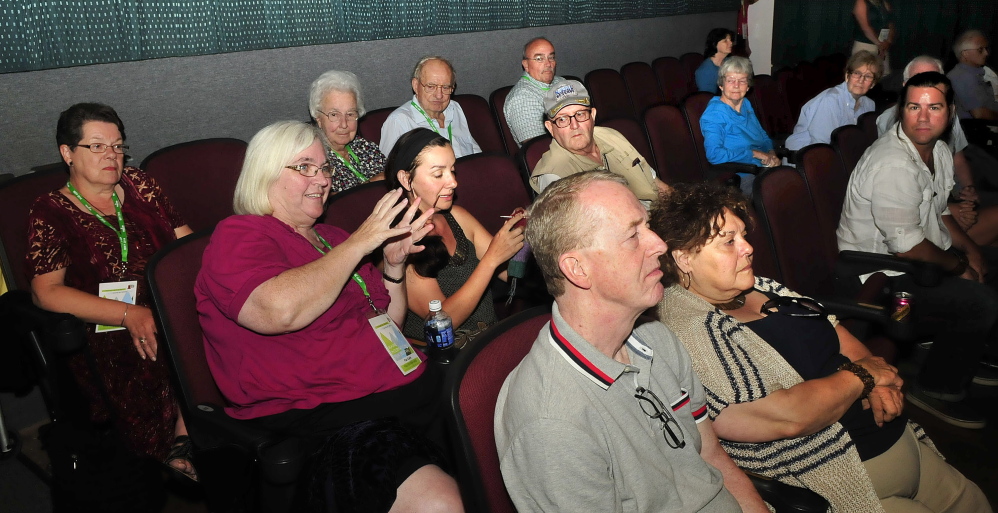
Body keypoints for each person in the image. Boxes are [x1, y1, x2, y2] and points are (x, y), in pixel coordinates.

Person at [655, 181, 991, 513]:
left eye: (743, 235)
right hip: (846, 482)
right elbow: (787, 417)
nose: (747, 248)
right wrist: (865, 376)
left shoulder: (761, 285)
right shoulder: (689, 330)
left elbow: (836, 331)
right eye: (729, 242)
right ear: (683, 258)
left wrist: (880, 380)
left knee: (975, 501)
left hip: (898, 444)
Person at [195, 121, 462, 512]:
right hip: (325, 417)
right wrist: (360, 242)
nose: (321, 179)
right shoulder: (240, 235)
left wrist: (392, 264)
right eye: (305, 167)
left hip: (396, 393)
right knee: (443, 501)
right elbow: (278, 311)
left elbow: (389, 323)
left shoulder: (331, 238)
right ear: (265, 173)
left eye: (324, 168)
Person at [496, 171, 768, 513]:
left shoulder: (655, 337)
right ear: (577, 269)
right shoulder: (551, 423)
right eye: (632, 235)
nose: (659, 244)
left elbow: (712, 458)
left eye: (647, 226)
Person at [27, 103, 196, 480]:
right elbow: (46, 293)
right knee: (158, 352)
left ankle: (188, 438)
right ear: (67, 153)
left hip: (167, 306)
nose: (112, 155)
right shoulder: (50, 210)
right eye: (97, 146)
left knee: (220, 323)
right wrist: (127, 313)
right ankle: (170, 450)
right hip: (105, 326)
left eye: (118, 146)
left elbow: (187, 247)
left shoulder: (141, 184)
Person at [838, 72, 998, 428]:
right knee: (980, 300)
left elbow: (940, 212)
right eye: (914, 106)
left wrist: (970, 249)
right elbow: (908, 248)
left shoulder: (938, 151)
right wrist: (958, 266)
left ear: (950, 112)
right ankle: (936, 388)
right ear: (901, 111)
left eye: (934, 107)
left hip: (916, 260)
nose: (923, 117)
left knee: (989, 263)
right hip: (881, 276)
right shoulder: (893, 162)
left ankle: (962, 349)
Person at [383, 128, 525, 340]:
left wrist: (528, 234)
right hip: (448, 358)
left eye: (453, 170)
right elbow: (443, 322)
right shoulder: (400, 242)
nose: (453, 182)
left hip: (489, 339)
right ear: (406, 179)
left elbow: (512, 274)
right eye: (438, 174)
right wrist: (491, 260)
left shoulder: (457, 217)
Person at [877, 56, 995, 231]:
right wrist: (948, 210)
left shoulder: (946, 115)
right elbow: (901, 191)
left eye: (933, 80)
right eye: (917, 80)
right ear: (904, 86)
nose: (926, 87)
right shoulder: (892, 121)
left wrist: (968, 189)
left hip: (949, 195)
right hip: (919, 211)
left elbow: (958, 157)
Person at [529, 80, 669, 205]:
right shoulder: (554, 176)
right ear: (550, 128)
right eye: (563, 119)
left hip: (661, 217)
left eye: (580, 114)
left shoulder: (612, 136)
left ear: (593, 116)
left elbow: (657, 184)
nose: (575, 125)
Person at [700, 56, 777, 196]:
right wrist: (754, 154)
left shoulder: (746, 104)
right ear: (721, 85)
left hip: (763, 168)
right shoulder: (714, 114)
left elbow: (762, 135)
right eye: (730, 80)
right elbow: (714, 155)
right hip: (741, 176)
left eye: (742, 81)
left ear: (748, 86)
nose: (736, 85)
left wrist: (771, 153)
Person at [380, 56, 481, 158]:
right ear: (415, 85)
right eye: (431, 87)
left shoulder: (454, 108)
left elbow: (474, 152)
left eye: (445, 87)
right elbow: (389, 170)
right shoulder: (399, 121)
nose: (439, 95)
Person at [786, 51, 882, 151]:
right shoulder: (830, 101)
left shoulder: (869, 105)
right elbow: (822, 145)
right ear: (847, 76)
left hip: (842, 156)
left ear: (873, 84)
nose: (861, 80)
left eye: (868, 76)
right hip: (805, 157)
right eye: (857, 73)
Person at [309, 69, 386, 194]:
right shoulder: (315, 159)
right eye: (334, 115)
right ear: (318, 118)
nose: (344, 124)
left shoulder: (365, 147)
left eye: (350, 114)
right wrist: (371, 184)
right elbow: (327, 202)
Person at [504, 37, 566, 146]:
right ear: (526, 65)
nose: (548, 64)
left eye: (551, 57)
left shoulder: (561, 82)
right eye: (539, 59)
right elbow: (538, 149)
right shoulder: (523, 98)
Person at [948, 30, 998, 120]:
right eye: (980, 50)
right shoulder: (962, 76)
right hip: (976, 130)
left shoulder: (978, 72)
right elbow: (979, 114)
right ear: (965, 53)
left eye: (986, 49)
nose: (986, 53)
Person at [852, 0, 894, 74]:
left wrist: (888, 42)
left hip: (883, 47)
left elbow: (891, 24)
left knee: (884, 75)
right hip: (865, 46)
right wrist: (879, 44)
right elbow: (865, 27)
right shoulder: (861, 2)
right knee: (864, 74)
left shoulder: (884, 3)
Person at [696, 28, 735, 94]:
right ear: (714, 44)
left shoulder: (730, 62)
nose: (731, 43)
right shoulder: (706, 70)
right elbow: (708, 97)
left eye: (730, 40)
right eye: (725, 41)